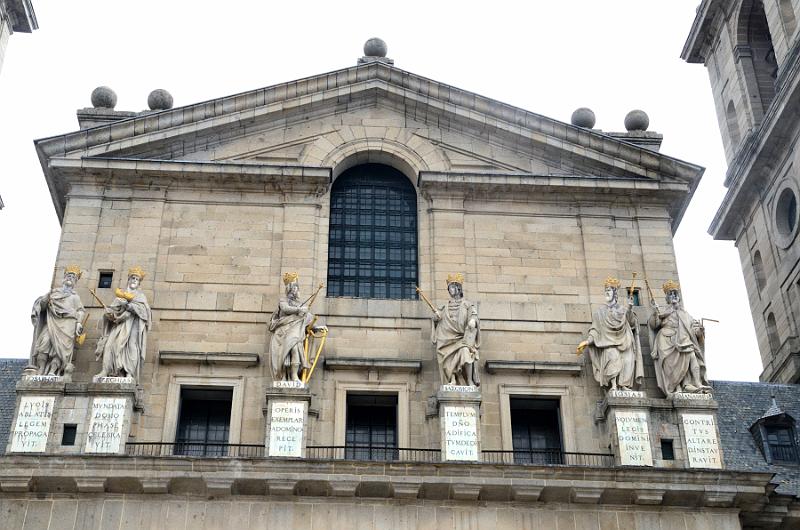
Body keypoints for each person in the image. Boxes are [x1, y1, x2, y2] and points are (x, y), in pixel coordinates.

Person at [578, 277, 643, 392]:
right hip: (608, 343)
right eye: (606, 290)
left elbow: (632, 323)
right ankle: (613, 385)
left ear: (615, 293)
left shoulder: (623, 310)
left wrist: (630, 308)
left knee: (627, 361)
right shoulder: (599, 313)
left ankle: (623, 385)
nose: (607, 292)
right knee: (611, 357)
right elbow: (595, 331)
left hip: (625, 342)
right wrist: (587, 342)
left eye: (609, 290)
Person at [648, 280, 711, 398]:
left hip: (683, 340)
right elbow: (653, 325)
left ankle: (696, 384)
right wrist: (655, 312)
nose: (673, 297)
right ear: (667, 298)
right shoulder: (663, 312)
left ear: (678, 297)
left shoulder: (685, 314)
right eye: (670, 295)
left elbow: (694, 329)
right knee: (671, 366)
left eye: (675, 294)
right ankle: (676, 387)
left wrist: (700, 330)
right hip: (666, 341)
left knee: (692, 356)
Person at [95, 267, 151, 381]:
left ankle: (129, 372)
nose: (134, 280)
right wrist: (109, 313)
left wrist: (128, 306)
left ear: (139, 283)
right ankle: (106, 370)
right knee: (110, 345)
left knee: (131, 347)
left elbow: (145, 313)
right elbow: (113, 310)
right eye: (132, 278)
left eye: (136, 279)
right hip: (119, 325)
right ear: (128, 280)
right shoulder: (120, 295)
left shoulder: (140, 297)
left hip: (133, 327)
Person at [29, 265, 86, 377]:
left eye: (73, 277)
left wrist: (79, 323)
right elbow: (43, 306)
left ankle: (53, 371)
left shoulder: (75, 297)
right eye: (68, 276)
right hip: (52, 322)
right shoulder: (54, 293)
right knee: (44, 343)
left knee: (60, 350)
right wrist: (46, 298)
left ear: (75, 281)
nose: (70, 278)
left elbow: (80, 311)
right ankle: (41, 369)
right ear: (64, 278)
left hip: (67, 325)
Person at [269, 272, 324, 382]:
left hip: (296, 332)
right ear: (289, 289)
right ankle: (284, 376)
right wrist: (299, 310)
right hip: (283, 332)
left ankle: (294, 376)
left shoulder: (300, 305)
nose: (295, 290)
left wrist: (317, 327)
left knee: (295, 349)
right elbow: (285, 309)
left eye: (296, 287)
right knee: (286, 354)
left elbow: (308, 318)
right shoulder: (283, 301)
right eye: (294, 287)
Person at [431, 273, 480, 387]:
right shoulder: (444, 307)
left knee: (466, 353)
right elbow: (437, 320)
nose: (450, 290)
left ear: (458, 288)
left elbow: (473, 315)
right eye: (449, 288)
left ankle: (469, 381)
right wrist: (435, 319)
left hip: (462, 339)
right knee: (447, 358)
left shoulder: (467, 304)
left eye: (452, 287)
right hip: (446, 340)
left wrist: (473, 320)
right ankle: (452, 380)